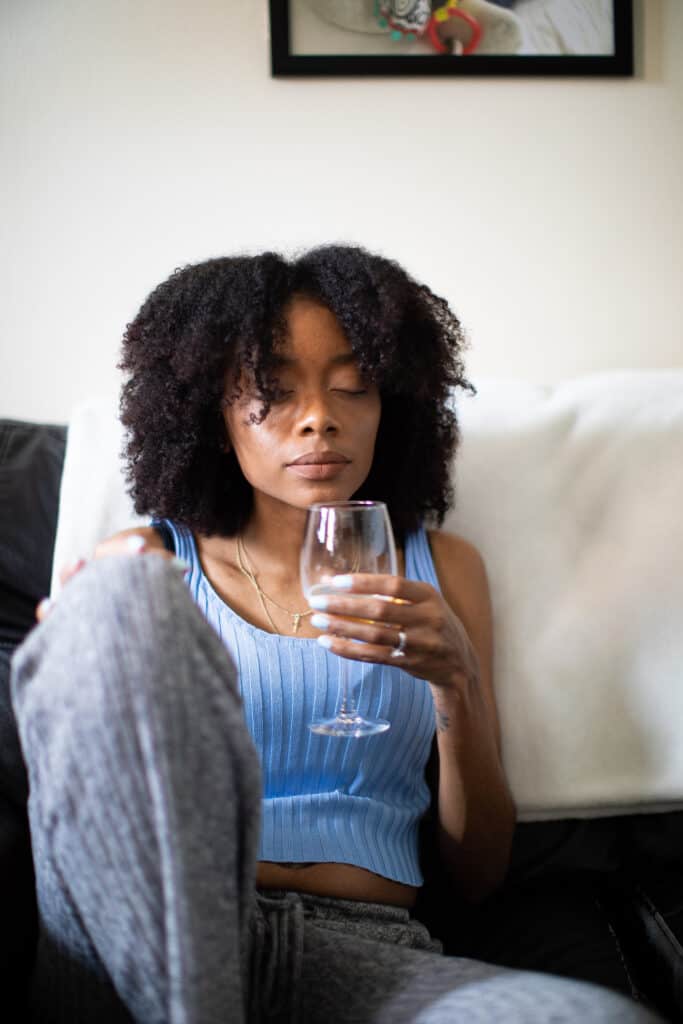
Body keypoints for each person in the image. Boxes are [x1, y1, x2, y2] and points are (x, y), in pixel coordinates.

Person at [12, 246, 661, 1023]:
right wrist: (102, 616)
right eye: (274, 392)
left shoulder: (443, 570)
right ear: (213, 419)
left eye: (353, 386)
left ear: (391, 405)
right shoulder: (153, 559)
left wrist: (455, 681)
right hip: (157, 927)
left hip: (367, 950)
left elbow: (479, 873)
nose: (320, 415)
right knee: (121, 598)